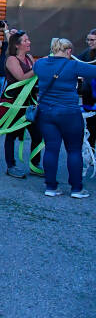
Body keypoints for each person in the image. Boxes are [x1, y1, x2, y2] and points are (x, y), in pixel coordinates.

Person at [34, 38, 96, 198]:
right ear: (69, 51)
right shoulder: (73, 65)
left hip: (46, 112)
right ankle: (76, 189)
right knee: (74, 150)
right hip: (69, 113)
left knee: (51, 149)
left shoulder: (40, 64)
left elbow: (37, 68)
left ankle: (50, 187)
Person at [2, 31, 43, 179]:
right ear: (17, 45)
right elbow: (21, 78)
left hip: (30, 102)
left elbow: (35, 77)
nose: (29, 42)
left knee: (37, 134)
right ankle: (11, 166)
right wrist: (37, 67)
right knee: (11, 134)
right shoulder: (11, 59)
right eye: (25, 40)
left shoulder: (29, 58)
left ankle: (35, 165)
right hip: (15, 103)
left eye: (28, 39)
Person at [77, 28, 96, 149]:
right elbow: (76, 61)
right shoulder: (88, 53)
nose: (89, 42)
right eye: (88, 40)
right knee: (90, 124)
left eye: (92, 40)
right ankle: (91, 151)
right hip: (88, 94)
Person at [0, 21, 18, 99]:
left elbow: (11, 43)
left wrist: (6, 30)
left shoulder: (17, 46)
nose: (10, 33)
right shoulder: (5, 44)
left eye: (13, 33)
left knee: (4, 100)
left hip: (8, 78)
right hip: (0, 76)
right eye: (10, 32)